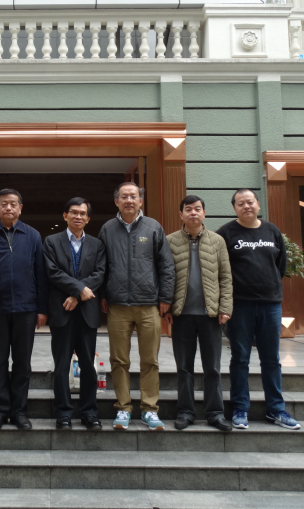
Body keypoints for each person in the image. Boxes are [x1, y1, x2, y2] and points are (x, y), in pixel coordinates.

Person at [216, 189, 301, 430]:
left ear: (258, 205)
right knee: (240, 358)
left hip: (270, 304)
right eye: (240, 203)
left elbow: (280, 264)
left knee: (271, 359)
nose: (246, 206)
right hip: (239, 305)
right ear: (234, 208)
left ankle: (276, 409)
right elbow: (219, 268)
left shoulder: (272, 231)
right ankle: (240, 409)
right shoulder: (226, 233)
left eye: (250, 202)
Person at [98, 182, 175, 431]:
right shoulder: (107, 229)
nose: (129, 200)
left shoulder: (153, 227)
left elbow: (166, 265)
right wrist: (102, 294)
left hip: (148, 304)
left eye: (133, 196)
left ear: (141, 200)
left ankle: (149, 409)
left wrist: (165, 297)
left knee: (150, 360)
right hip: (118, 305)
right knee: (119, 360)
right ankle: (123, 408)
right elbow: (100, 266)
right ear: (116, 201)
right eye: (124, 197)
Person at [0, 189, 48, 431]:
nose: (8, 207)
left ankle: (19, 411)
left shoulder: (33, 235)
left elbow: (40, 274)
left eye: (13, 204)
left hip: (26, 309)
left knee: (22, 363)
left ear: (20, 208)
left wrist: (42, 309)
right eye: (4, 204)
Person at [165, 195, 233, 432]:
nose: (193, 213)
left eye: (197, 209)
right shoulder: (170, 241)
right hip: (182, 314)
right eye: (188, 209)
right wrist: (167, 307)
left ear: (204, 213)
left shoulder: (217, 241)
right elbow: (165, 277)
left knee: (212, 367)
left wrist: (225, 307)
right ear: (181, 214)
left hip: (210, 315)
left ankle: (215, 413)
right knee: (184, 367)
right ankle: (185, 411)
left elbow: (225, 277)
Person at [43, 197, 106, 430]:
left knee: (88, 364)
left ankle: (89, 412)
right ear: (65, 216)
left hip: (87, 312)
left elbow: (100, 273)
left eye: (82, 213)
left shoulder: (97, 244)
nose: (78, 216)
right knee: (61, 365)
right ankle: (63, 413)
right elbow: (52, 272)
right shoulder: (51, 242)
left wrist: (77, 296)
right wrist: (79, 289)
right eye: (73, 212)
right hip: (62, 311)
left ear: (88, 218)